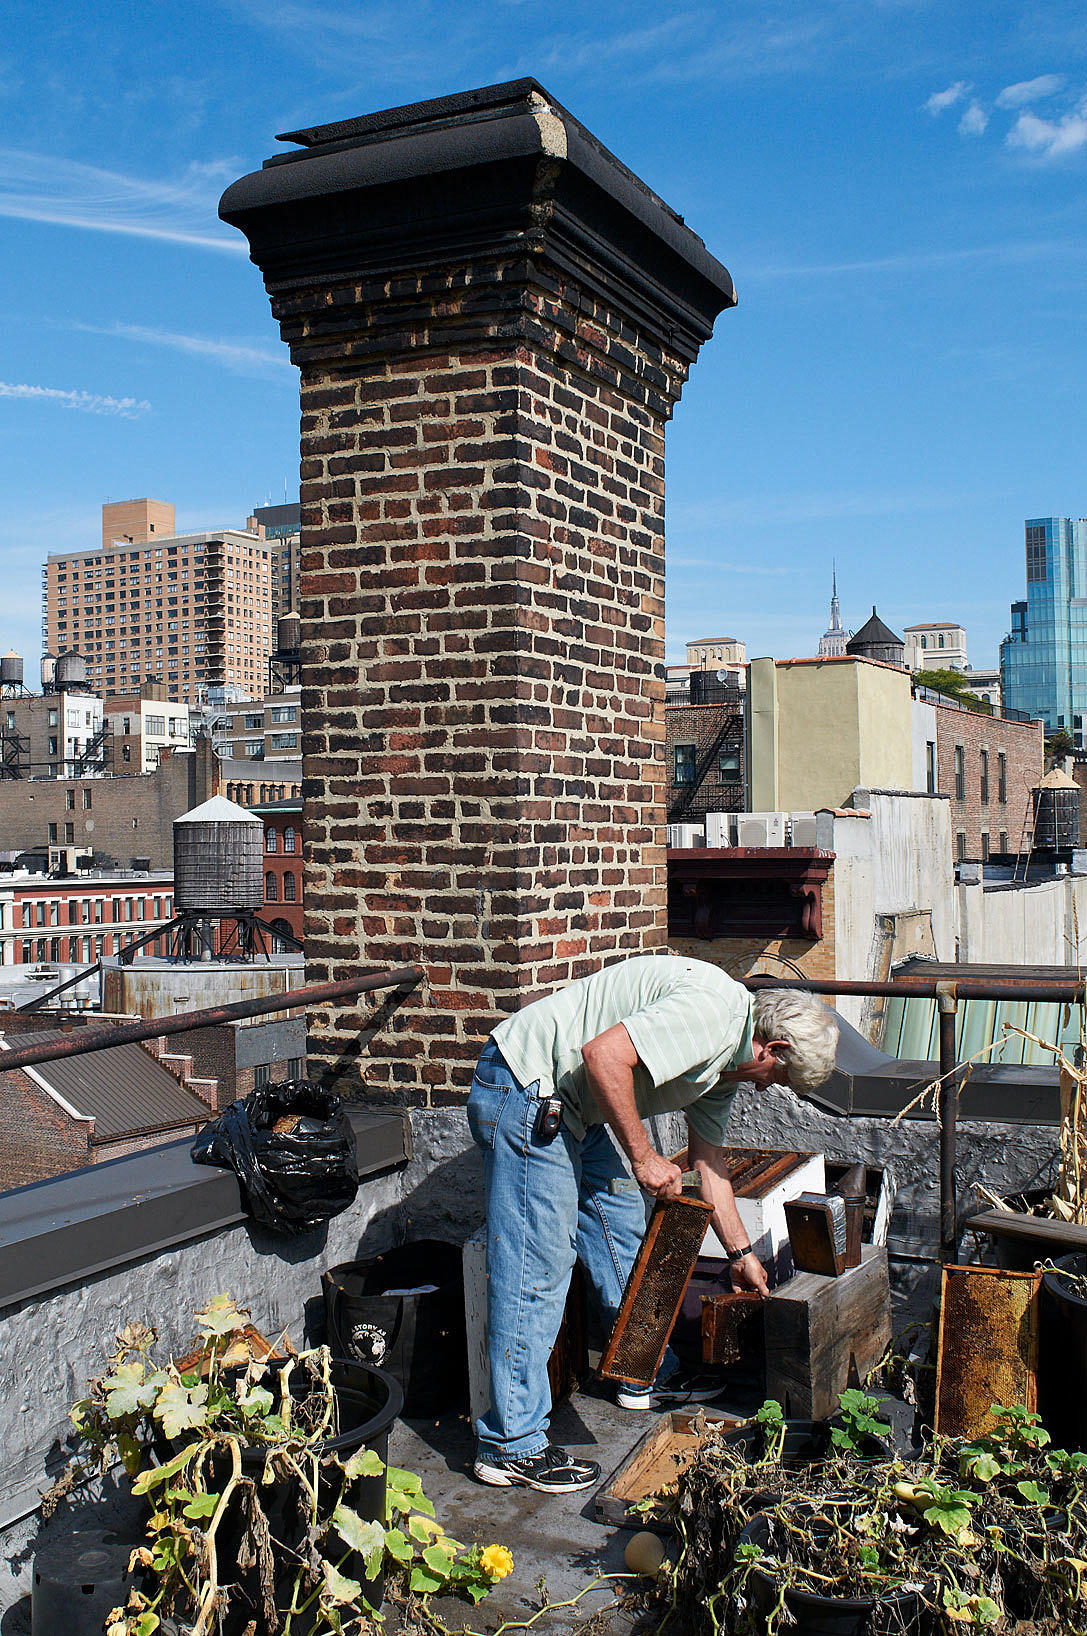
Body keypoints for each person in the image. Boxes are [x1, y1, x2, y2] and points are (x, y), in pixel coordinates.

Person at [467, 954, 838, 1494]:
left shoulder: (727, 1064)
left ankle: (644, 1372)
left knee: (619, 1224)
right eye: (776, 1078)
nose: (765, 1089)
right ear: (772, 1048)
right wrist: (643, 1156)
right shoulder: (713, 1015)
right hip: (526, 1091)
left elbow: (711, 1169)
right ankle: (510, 1445)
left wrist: (743, 1256)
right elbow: (603, 1056)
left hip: (573, 1107)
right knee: (536, 1270)